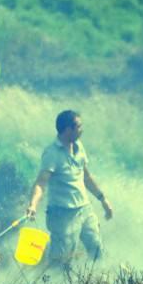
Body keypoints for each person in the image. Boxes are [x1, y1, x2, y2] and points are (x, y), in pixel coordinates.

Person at [26, 110, 113, 270]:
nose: (82, 129)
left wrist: (102, 199)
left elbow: (86, 177)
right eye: (79, 126)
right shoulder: (51, 153)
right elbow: (41, 183)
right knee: (61, 261)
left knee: (97, 250)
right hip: (62, 214)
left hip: (85, 210)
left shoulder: (79, 147)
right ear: (68, 130)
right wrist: (33, 205)